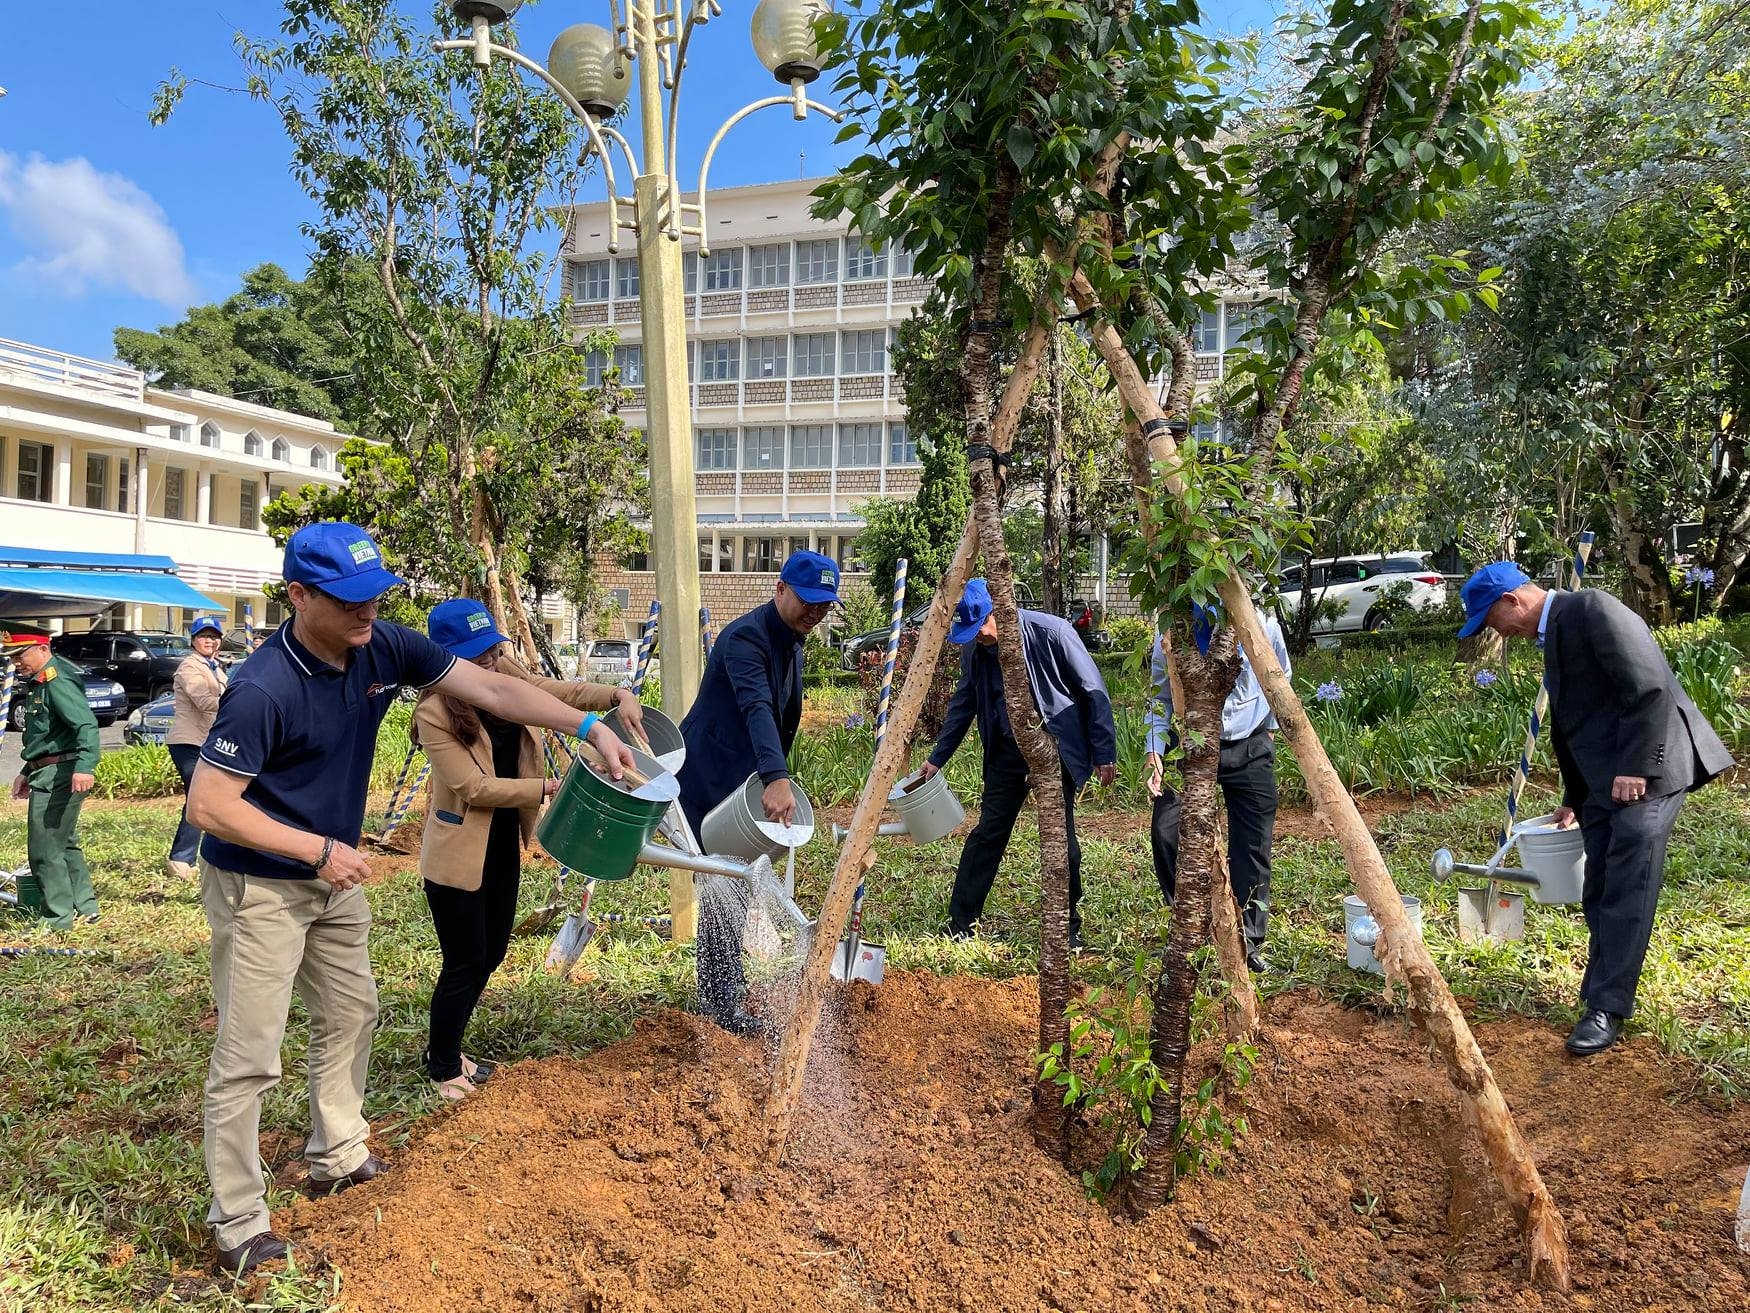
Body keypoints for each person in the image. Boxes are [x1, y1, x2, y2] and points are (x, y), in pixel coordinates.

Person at [185, 523, 637, 1276]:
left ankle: (336, 1149)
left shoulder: (382, 645)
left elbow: (494, 686)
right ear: (299, 596)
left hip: (334, 871)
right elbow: (208, 804)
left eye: (377, 598)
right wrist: (318, 850)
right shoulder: (265, 687)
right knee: (249, 1053)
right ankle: (238, 1219)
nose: (369, 614)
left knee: (353, 1010)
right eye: (351, 601)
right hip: (262, 880)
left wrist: (589, 725)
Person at [1457, 561, 1732, 1056]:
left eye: (1490, 621)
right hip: (1608, 782)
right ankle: (1600, 990)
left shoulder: (1593, 609)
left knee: (1628, 882)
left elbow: (1647, 687)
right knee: (1599, 883)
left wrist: (1636, 768)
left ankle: (1607, 1008)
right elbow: (1579, 722)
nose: (1497, 632)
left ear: (1511, 601)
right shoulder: (1558, 629)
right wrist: (1575, 799)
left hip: (1650, 771)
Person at [413, 598, 647, 1100]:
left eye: (490, 652)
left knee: (493, 949)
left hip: (499, 841)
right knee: (465, 957)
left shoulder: (505, 672)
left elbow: (559, 692)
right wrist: (544, 790)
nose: (487, 666)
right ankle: (444, 1066)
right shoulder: (434, 712)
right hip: (457, 851)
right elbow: (473, 788)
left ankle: (444, 1049)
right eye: (473, 659)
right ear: (443, 660)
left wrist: (615, 695)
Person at [677, 549, 840, 1036]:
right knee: (722, 885)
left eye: (825, 605)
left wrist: (772, 775)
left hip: (741, 785)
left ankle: (724, 992)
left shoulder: (793, 639)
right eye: (808, 600)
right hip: (709, 782)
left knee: (737, 885)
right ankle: (720, 1007)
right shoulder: (746, 638)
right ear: (780, 589)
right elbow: (757, 708)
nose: (816, 612)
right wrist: (776, 776)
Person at [920, 579, 1118, 949]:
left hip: (1052, 751)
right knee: (988, 834)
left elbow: (1095, 692)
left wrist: (1103, 752)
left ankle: (1068, 926)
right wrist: (937, 758)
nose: (977, 636)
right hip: (1005, 754)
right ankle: (961, 922)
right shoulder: (975, 649)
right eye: (969, 631)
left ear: (1000, 610)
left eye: (981, 626)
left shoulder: (1052, 633)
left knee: (1062, 841)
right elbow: (964, 702)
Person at [1144, 614, 1290, 971]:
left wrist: (1268, 729)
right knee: (1166, 831)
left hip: (1249, 743)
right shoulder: (1170, 635)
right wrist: (1155, 752)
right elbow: (1160, 697)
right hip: (1190, 744)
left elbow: (1279, 675)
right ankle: (1188, 927)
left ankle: (1248, 942)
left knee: (1253, 844)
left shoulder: (1262, 625)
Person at [4, 627, 101, 930]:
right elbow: (46, 736)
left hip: (61, 773)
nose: (16, 662)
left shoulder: (56, 680)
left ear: (43, 649)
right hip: (47, 770)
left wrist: (85, 765)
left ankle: (57, 918)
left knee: (44, 848)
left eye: (21, 654)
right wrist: (25, 771)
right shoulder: (41, 681)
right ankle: (84, 907)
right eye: (13, 656)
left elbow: (85, 724)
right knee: (63, 842)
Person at [166, 617, 229, 879]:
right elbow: (204, 701)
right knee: (199, 798)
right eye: (204, 636)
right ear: (193, 640)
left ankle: (209, 855)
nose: (209, 640)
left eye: (214, 636)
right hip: (188, 742)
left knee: (213, 799)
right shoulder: (189, 667)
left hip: (206, 741)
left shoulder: (214, 666)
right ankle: (180, 859)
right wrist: (238, 700)